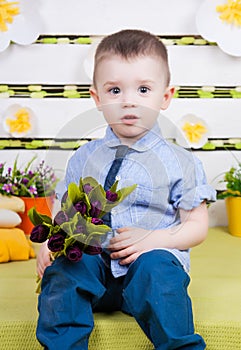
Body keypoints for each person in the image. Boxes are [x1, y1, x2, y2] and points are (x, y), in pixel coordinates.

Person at [36, 29, 216, 349]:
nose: (129, 100)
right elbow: (65, 209)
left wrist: (155, 239)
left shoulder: (180, 161)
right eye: (115, 89)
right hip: (95, 275)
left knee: (159, 268)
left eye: (144, 89)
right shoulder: (84, 157)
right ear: (97, 98)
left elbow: (197, 225)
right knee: (68, 266)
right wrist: (50, 244)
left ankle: (181, 346)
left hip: (146, 274)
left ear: (165, 96)